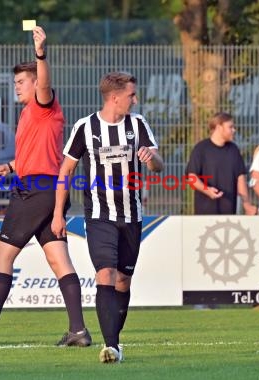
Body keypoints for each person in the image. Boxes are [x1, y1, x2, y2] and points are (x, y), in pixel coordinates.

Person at [0, 26, 91, 347]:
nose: (16, 85)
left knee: (1, 257)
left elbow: (46, 83)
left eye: (21, 81)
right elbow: (40, 154)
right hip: (46, 189)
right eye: (15, 81)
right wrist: (10, 166)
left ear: (37, 83)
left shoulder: (44, 103)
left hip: (34, 192)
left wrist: (40, 53)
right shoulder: (31, 113)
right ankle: (78, 331)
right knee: (59, 262)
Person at [52, 71, 164, 363]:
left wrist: (152, 158)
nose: (135, 99)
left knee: (123, 281)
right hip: (99, 216)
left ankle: (115, 341)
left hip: (131, 215)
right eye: (131, 95)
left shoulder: (137, 124)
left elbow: (159, 165)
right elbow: (65, 171)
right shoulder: (85, 127)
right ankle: (111, 345)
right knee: (105, 273)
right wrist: (57, 215)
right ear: (115, 98)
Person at [186, 112, 257, 215]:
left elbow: (240, 179)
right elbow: (191, 177)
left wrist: (247, 205)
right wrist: (207, 190)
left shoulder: (234, 150)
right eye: (230, 127)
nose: (234, 130)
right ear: (219, 128)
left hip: (229, 215)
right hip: (204, 214)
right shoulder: (201, 149)